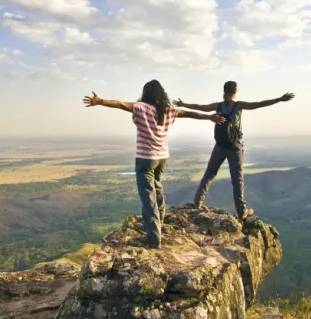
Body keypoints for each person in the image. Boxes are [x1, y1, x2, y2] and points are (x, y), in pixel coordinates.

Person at [83, 80, 224, 248]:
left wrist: (100, 101)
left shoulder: (142, 107)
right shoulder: (169, 110)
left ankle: (153, 237)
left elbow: (121, 104)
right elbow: (189, 113)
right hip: (162, 157)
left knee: (147, 196)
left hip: (146, 158)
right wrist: (209, 117)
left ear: (146, 93)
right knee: (157, 188)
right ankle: (159, 222)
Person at [175, 81, 295, 220]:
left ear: (224, 91)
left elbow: (198, 107)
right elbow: (259, 104)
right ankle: (242, 211)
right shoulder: (238, 106)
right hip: (234, 147)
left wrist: (183, 104)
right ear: (235, 92)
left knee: (209, 173)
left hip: (219, 145)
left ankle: (197, 202)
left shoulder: (217, 106)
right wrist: (279, 99)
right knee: (237, 179)